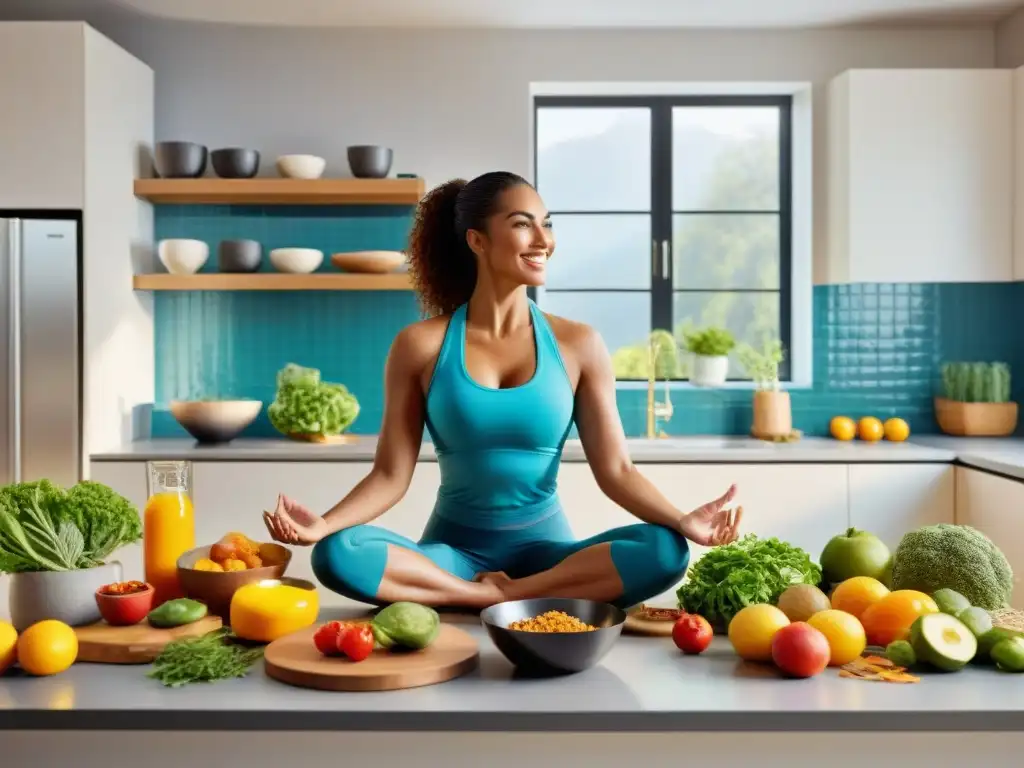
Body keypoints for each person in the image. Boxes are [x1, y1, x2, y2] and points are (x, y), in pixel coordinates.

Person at [263, 171, 743, 610]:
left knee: (664, 550)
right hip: (451, 556)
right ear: (477, 240)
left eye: (547, 224)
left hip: (549, 558)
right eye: (522, 225)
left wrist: (683, 520)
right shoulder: (420, 346)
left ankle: (505, 594)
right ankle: (477, 594)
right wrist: (323, 524)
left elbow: (616, 470)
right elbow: (390, 475)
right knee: (338, 553)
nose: (544, 240)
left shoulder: (579, 344)